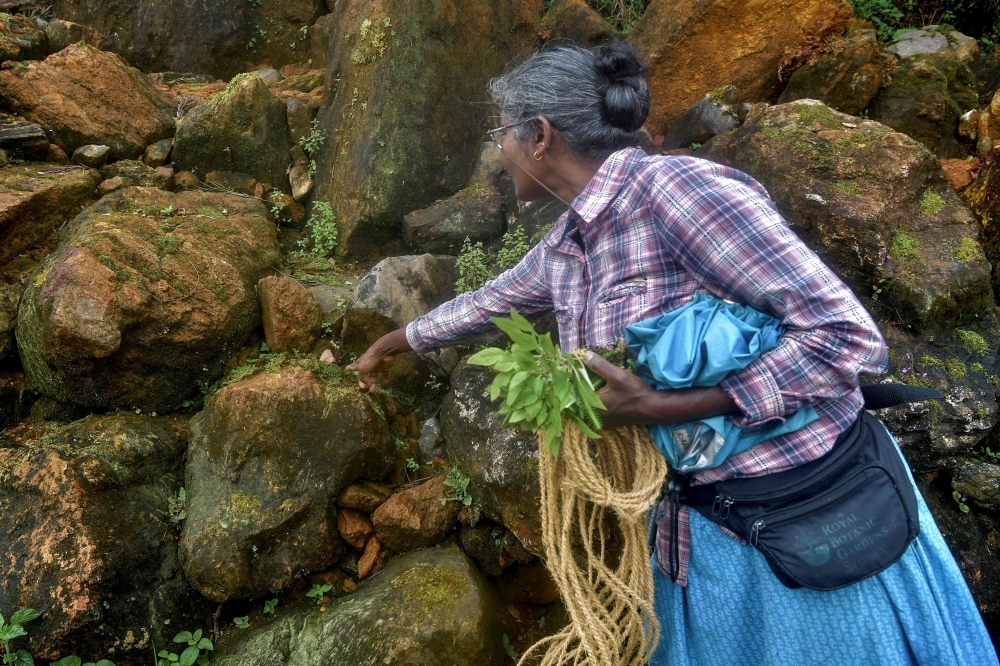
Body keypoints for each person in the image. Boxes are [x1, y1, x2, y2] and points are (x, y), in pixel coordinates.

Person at [347, 42, 998, 665]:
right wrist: (394, 342)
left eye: (501, 134)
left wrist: (669, 405)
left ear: (540, 135)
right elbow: (494, 302)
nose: (498, 152)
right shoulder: (574, 238)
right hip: (708, 527)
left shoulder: (677, 194)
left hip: (807, 516)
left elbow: (846, 337)